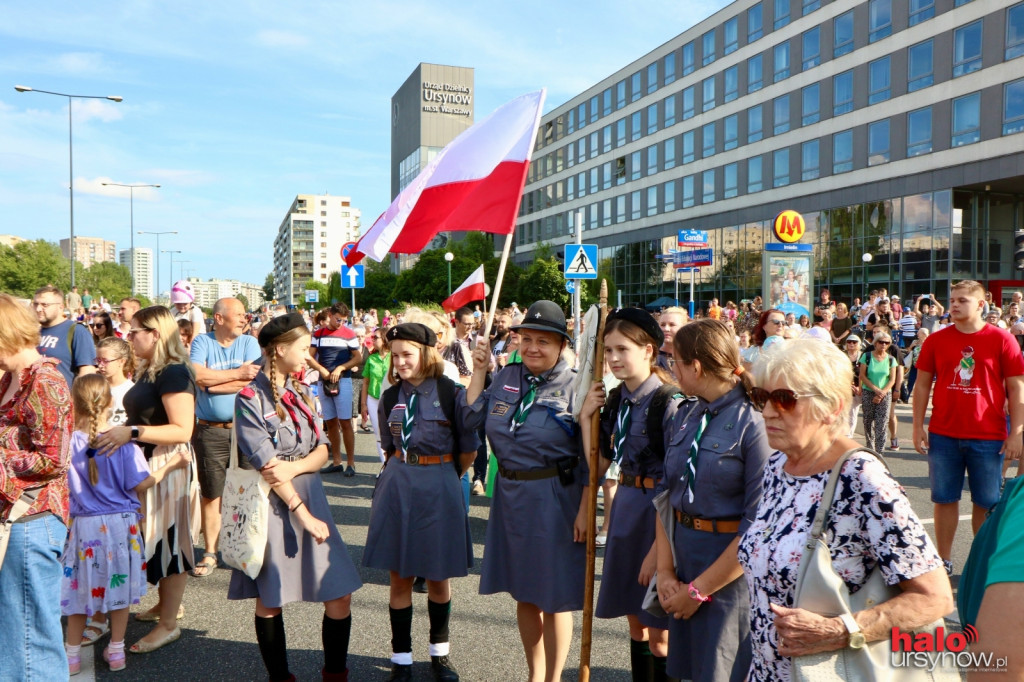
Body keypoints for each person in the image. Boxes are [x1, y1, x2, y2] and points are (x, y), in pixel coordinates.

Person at [737, 339, 953, 681]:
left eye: (784, 400)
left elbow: (936, 598)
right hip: (768, 671)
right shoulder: (779, 463)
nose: (766, 411)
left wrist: (839, 630)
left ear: (832, 407)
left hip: (833, 671)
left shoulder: (862, 478)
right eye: (762, 398)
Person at [230, 313, 362, 682]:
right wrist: (299, 508)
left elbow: (323, 449)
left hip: (308, 494)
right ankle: (280, 677)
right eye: (304, 348)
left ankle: (335, 674)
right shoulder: (248, 397)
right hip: (273, 505)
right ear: (280, 349)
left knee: (339, 593)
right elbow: (265, 464)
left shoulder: (301, 391)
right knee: (271, 599)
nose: (309, 355)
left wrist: (293, 467)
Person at [465, 301, 585, 682]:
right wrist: (479, 372)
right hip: (510, 495)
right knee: (525, 593)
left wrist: (586, 510)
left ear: (562, 345)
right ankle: (534, 676)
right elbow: (470, 419)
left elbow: (591, 462)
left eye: (544, 341)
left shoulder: (578, 386)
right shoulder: (506, 377)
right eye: (526, 338)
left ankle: (553, 678)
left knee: (554, 595)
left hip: (554, 497)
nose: (533, 347)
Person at [652, 319, 771, 682]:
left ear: (696, 367)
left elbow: (757, 524)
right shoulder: (688, 412)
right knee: (690, 671)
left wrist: (699, 590)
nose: (670, 368)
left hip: (728, 575)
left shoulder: (754, 422)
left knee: (723, 673)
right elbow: (667, 495)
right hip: (685, 558)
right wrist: (666, 571)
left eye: (675, 361)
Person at [364, 323, 478, 682]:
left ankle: (439, 655)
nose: (399, 362)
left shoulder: (450, 392)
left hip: (440, 482)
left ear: (427, 353)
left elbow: (469, 448)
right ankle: (401, 658)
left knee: (438, 577)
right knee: (400, 578)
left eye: (406, 354)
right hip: (399, 484)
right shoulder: (389, 397)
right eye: (395, 355)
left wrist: (443, 475)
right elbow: (388, 446)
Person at [580, 308, 688, 681]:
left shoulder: (669, 402)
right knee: (635, 623)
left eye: (622, 349)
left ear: (648, 350)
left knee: (660, 632)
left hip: (657, 517)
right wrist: (585, 420)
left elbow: (677, 485)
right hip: (625, 509)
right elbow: (597, 463)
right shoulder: (616, 399)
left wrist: (659, 554)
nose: (612, 359)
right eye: (608, 350)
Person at [61, 375, 185, 675]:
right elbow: (142, 483)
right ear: (111, 403)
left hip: (84, 528)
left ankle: (71, 655)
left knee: (80, 593)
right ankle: (117, 651)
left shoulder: (67, 442)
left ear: (74, 402)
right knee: (117, 592)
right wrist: (172, 464)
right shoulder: (124, 444)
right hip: (121, 526)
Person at [92, 305, 197, 653]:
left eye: (135, 330)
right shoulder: (154, 369)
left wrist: (131, 432)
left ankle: (169, 624)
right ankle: (163, 609)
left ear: (155, 333)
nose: (129, 336)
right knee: (155, 538)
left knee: (169, 540)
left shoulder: (174, 372)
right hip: (150, 460)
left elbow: (183, 428)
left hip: (169, 461)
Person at [912, 280, 1024, 575]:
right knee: (944, 499)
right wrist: (917, 427)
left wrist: (1018, 432)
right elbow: (922, 385)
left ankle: (980, 562)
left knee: (985, 503)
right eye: (952, 299)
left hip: (988, 436)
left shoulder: (1002, 339)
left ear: (980, 304)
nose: (955, 304)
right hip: (943, 434)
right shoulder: (936, 340)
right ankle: (944, 560)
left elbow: (1017, 388)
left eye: (962, 300)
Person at [0, 294, 74, 681]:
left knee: (31, 641)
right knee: (16, 636)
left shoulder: (45, 380)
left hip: (31, 518)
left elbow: (54, 459)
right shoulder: (12, 377)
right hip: (16, 519)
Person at [189, 297, 262, 578]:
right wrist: (237, 374)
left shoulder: (249, 342)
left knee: (247, 489)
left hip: (245, 428)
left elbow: (253, 379)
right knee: (212, 493)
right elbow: (196, 376)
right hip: (210, 430)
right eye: (240, 314)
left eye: (246, 314)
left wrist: (215, 382)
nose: (245, 319)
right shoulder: (202, 342)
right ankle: (210, 552)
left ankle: (244, 548)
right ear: (219, 318)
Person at [308, 303, 362, 477]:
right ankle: (337, 461)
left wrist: (340, 368)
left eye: (344, 321)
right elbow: (308, 357)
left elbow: (358, 358)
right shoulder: (319, 334)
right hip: (324, 382)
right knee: (330, 422)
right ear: (330, 315)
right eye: (338, 319)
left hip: (343, 381)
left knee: (345, 422)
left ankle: (351, 463)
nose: (341, 324)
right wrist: (322, 370)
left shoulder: (349, 334)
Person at [33, 284, 97, 387]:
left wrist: (77, 400)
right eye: (35, 304)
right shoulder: (32, 333)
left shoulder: (77, 331)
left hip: (66, 400)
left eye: (45, 305)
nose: (38, 309)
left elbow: (87, 372)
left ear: (61, 307)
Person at [858, 331, 898, 453]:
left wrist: (882, 393)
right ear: (875, 343)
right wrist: (875, 390)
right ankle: (870, 448)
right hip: (868, 392)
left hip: (885, 394)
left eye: (886, 343)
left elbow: (892, 379)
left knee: (882, 423)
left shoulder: (891, 359)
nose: (883, 345)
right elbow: (862, 376)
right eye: (881, 342)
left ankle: (879, 451)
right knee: (868, 421)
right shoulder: (867, 356)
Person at [361, 326, 390, 465]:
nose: (372, 340)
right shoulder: (371, 358)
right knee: (379, 433)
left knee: (393, 431)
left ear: (384, 339)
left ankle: (395, 464)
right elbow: (365, 382)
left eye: (375, 337)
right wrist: (363, 404)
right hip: (373, 399)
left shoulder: (394, 356)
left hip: (391, 399)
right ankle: (384, 464)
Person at [842, 335, 864, 437]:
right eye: (849, 342)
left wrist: (860, 387)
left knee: (853, 414)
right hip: (843, 388)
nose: (851, 344)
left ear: (859, 344)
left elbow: (866, 374)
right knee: (843, 414)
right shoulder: (842, 355)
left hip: (859, 389)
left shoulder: (863, 356)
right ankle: (844, 436)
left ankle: (849, 436)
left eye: (854, 342)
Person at [657, 307, 688, 371]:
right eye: (662, 325)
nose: (666, 329)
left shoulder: (691, 356)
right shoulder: (652, 358)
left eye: (672, 325)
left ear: (683, 327)